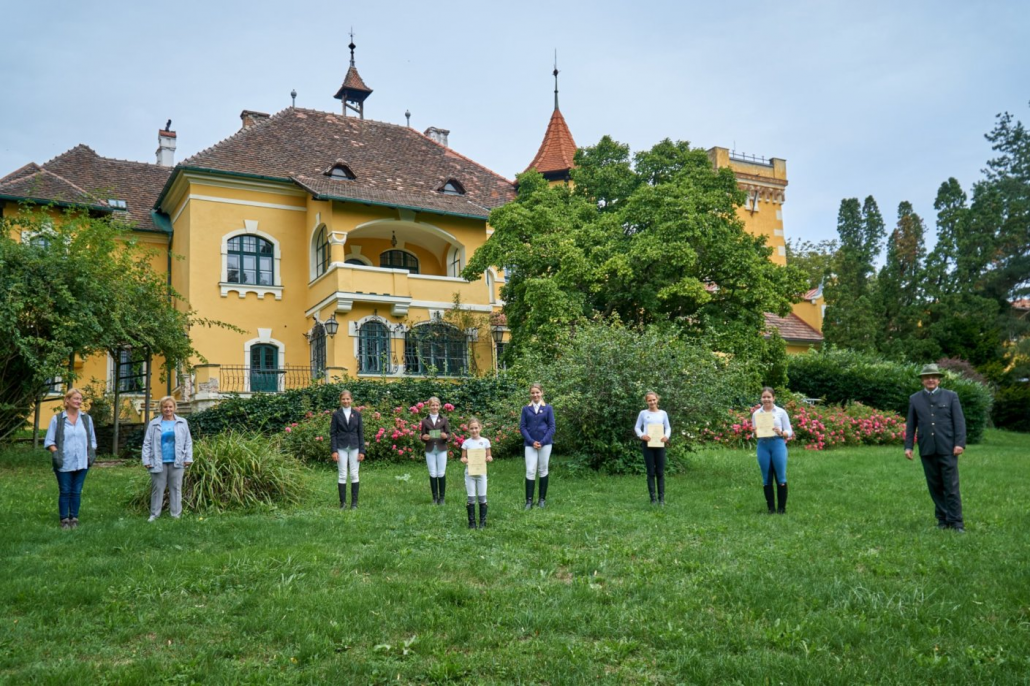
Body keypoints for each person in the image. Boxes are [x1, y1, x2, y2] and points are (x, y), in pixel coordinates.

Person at [905, 364, 967, 532]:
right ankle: (942, 519)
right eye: (927, 377)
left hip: (948, 448)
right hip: (927, 449)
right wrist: (908, 446)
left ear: (939, 379)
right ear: (922, 380)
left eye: (933, 377)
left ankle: (956, 522)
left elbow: (959, 422)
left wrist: (959, 443)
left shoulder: (951, 396)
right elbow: (911, 425)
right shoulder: (915, 399)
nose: (930, 379)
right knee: (935, 486)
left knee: (951, 486)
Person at [44, 388, 97, 529]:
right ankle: (64, 520)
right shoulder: (57, 419)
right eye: (75, 398)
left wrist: (91, 452)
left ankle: (74, 518)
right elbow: (49, 441)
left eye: (80, 399)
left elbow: (92, 439)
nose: (79, 401)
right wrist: (56, 454)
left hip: (82, 461)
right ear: (67, 401)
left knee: (76, 491)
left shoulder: (86, 419)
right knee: (65, 491)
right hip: (64, 462)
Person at [141, 396, 194, 521]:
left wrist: (188, 458)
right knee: (157, 488)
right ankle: (154, 514)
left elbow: (188, 442)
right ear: (161, 408)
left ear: (174, 408)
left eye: (170, 406)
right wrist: (146, 460)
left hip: (178, 460)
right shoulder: (154, 423)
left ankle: (175, 515)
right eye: (165, 407)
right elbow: (147, 442)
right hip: (158, 461)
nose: (168, 409)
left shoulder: (182, 422)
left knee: (176, 488)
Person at [752, 387, 793, 514]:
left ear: (773, 398)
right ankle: (771, 509)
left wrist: (781, 432)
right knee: (766, 477)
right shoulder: (756, 414)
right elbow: (755, 435)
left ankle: (781, 509)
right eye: (764, 397)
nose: (766, 399)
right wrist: (754, 432)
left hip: (778, 444)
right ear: (761, 398)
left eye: (768, 397)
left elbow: (789, 432)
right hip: (763, 445)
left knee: (780, 476)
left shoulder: (781, 412)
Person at [520, 383, 556, 509]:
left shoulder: (548, 408)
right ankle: (529, 501)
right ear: (530, 394)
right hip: (530, 444)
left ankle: (542, 500)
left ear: (542, 393)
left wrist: (542, 442)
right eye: (533, 393)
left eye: (537, 392)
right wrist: (531, 441)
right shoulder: (525, 409)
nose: (535, 395)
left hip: (545, 444)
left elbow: (552, 427)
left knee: (543, 469)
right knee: (530, 470)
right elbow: (523, 427)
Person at [330, 390, 366, 510]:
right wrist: (334, 450)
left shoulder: (357, 414)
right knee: (342, 474)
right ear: (340, 400)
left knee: (354, 474)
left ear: (351, 400)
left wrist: (362, 451)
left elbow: (360, 433)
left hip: (355, 447)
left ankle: (354, 503)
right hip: (341, 447)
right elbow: (333, 434)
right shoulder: (336, 415)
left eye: (348, 399)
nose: (346, 401)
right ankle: (343, 503)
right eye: (343, 399)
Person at [635, 391, 671, 505]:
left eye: (654, 400)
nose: (652, 402)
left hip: (660, 444)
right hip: (648, 444)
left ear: (657, 400)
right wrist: (642, 435)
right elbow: (637, 427)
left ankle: (661, 499)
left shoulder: (663, 413)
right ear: (646, 401)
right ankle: (653, 499)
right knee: (650, 472)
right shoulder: (643, 413)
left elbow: (668, 427)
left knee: (660, 472)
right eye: (649, 400)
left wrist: (666, 436)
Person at [460, 417, 493, 529]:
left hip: (481, 474)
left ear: (480, 428)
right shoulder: (466, 443)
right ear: (468, 429)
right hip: (470, 473)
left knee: (482, 498)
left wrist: (489, 458)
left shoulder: (485, 442)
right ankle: (472, 522)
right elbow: (463, 457)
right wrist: (464, 460)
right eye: (471, 428)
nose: (474, 430)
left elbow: (489, 455)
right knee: (471, 498)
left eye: (476, 428)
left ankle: (483, 522)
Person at [419, 396, 451, 505]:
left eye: (437, 405)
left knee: (441, 472)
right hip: (430, 449)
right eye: (433, 405)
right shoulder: (425, 421)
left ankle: (442, 498)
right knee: (432, 473)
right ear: (429, 406)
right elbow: (422, 434)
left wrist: (445, 436)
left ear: (439, 406)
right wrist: (424, 437)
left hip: (441, 448)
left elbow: (449, 435)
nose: (435, 407)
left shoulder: (444, 419)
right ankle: (434, 498)